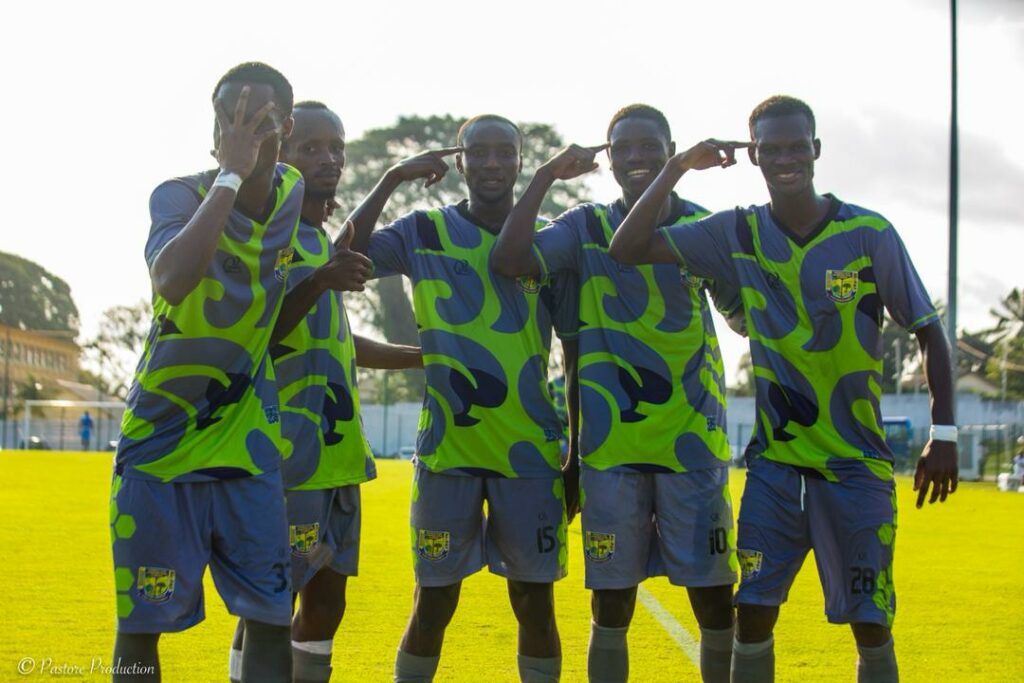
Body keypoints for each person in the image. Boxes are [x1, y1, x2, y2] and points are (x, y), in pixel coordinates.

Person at [608, 95, 960, 683]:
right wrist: (678, 165)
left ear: (816, 150)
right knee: (752, 615)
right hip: (775, 466)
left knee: (871, 620)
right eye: (771, 149)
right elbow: (626, 248)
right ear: (754, 156)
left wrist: (943, 432)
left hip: (856, 464)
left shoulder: (868, 233)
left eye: (797, 146)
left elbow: (929, 330)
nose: (786, 158)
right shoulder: (737, 231)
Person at [491, 104, 737, 683]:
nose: (636, 157)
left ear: (671, 149)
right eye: (622, 147)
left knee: (713, 600)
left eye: (650, 146)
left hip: (692, 444)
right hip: (610, 452)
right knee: (612, 604)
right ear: (608, 158)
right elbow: (508, 260)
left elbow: (744, 315)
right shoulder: (585, 227)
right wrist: (545, 176)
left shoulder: (704, 227)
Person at [346, 115, 578, 683]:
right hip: (447, 451)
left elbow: (576, 355)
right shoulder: (423, 231)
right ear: (461, 160)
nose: (492, 163)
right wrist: (392, 178)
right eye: (479, 152)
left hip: (530, 454)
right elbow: (343, 258)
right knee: (433, 601)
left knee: (535, 603)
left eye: (505, 152)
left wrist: (578, 456)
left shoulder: (550, 242)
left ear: (521, 160)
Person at [110, 62, 301, 683]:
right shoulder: (178, 195)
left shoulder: (292, 190)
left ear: (286, 128)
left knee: (271, 619)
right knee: (141, 626)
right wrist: (231, 174)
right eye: (228, 117)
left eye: (259, 119)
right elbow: (171, 279)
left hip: (247, 446)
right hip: (159, 446)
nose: (240, 130)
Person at [228, 100, 422, 683]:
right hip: (287, 454)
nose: (329, 158)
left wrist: (422, 356)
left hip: (339, 457)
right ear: (279, 154)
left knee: (328, 602)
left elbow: (335, 337)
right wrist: (318, 281)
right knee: (269, 603)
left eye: (336, 147)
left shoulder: (317, 239)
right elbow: (256, 335)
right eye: (310, 148)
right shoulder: (266, 233)